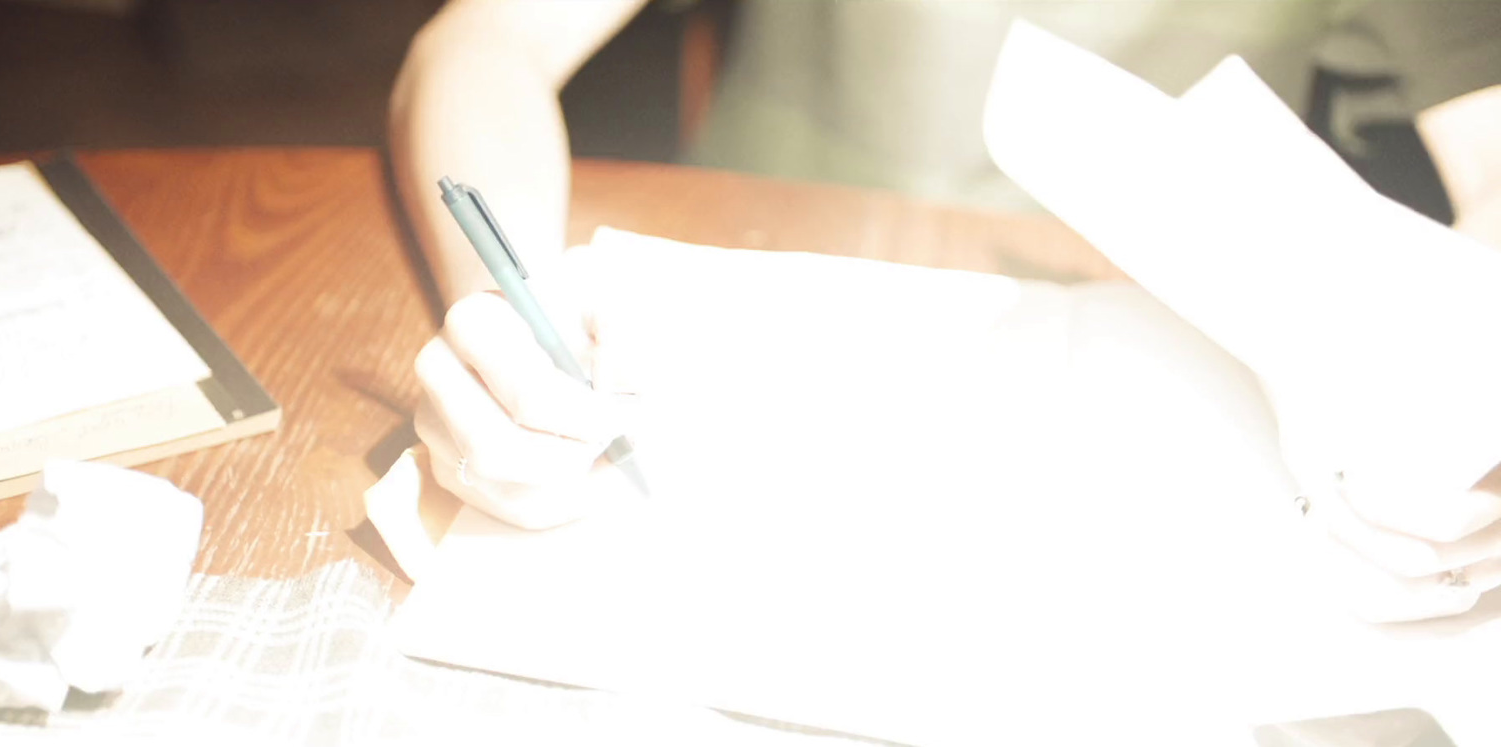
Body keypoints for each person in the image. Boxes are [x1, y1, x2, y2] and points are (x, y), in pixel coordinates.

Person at [387, 0, 1501, 624]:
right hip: (731, 333)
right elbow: (484, 40)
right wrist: (506, 305)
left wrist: (1436, 377)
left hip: (1158, 399)